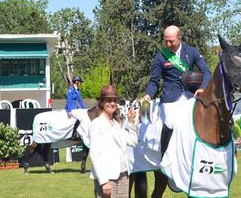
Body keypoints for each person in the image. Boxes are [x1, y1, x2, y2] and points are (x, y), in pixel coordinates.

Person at [143, 25, 211, 197]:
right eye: (165, 40)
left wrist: (202, 88)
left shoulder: (192, 52)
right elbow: (154, 81)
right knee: (171, 122)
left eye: (171, 41)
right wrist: (148, 95)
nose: (168, 43)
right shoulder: (160, 56)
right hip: (170, 100)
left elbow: (206, 72)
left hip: (190, 97)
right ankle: (166, 159)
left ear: (179, 38)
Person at [89, 85, 138, 198]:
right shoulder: (97, 124)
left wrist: (131, 123)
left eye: (114, 100)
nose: (112, 103)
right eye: (108, 100)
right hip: (107, 178)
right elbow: (94, 155)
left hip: (123, 176)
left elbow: (133, 142)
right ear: (101, 102)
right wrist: (103, 181)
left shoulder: (117, 124)